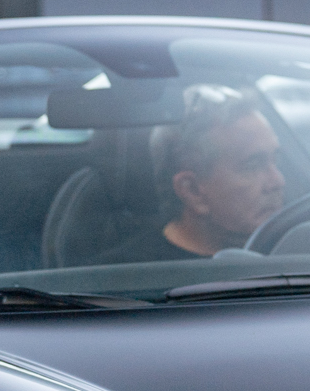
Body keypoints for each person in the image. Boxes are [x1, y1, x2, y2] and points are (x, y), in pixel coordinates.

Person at [99, 85, 286, 261]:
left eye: (275, 160)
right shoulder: (130, 280)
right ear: (193, 191)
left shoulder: (294, 247)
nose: (277, 181)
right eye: (252, 165)